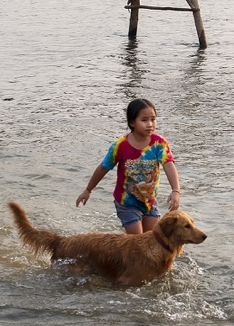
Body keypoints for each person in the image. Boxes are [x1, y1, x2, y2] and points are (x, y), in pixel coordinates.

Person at [76, 98, 180, 234]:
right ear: (132, 122)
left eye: (153, 119)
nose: (150, 124)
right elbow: (103, 168)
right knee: (137, 241)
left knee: (152, 239)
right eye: (144, 120)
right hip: (126, 203)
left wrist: (175, 190)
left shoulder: (159, 144)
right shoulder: (120, 146)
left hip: (149, 201)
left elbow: (169, 165)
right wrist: (88, 190)